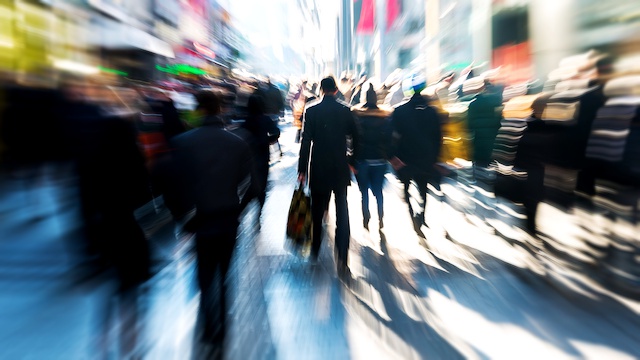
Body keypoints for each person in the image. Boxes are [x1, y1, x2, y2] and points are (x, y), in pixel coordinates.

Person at [170, 90, 254, 359]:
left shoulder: (183, 143)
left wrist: (183, 216)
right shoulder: (237, 143)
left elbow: (175, 186)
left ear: (198, 109)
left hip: (200, 219)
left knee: (205, 277)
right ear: (220, 109)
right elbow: (248, 183)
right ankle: (222, 333)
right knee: (224, 276)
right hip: (228, 218)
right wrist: (236, 208)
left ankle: (209, 328)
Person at [298, 76, 360, 276]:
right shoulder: (345, 110)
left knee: (317, 211)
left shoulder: (311, 110)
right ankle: (342, 256)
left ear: (322, 90)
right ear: (335, 89)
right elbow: (356, 137)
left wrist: (302, 171)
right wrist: (351, 160)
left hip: (318, 168)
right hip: (340, 167)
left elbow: (305, 142)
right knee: (342, 210)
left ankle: (315, 250)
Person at [389, 75, 443, 236]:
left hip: (405, 158)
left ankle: (412, 213)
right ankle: (421, 213)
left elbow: (392, 135)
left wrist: (392, 156)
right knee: (423, 189)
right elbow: (438, 136)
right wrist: (436, 158)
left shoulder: (399, 111)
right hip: (426, 157)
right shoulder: (433, 111)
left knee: (406, 188)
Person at [351, 84, 393, 230]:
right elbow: (389, 139)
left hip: (363, 159)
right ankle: (381, 217)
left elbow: (353, 139)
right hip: (380, 160)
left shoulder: (357, 115)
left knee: (364, 192)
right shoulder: (385, 116)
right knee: (378, 191)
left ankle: (366, 217)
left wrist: (352, 159)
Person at [242, 94, 281, 217]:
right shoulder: (266, 119)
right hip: (263, 156)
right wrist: (269, 140)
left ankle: (242, 209)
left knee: (249, 184)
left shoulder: (246, 121)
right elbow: (276, 132)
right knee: (262, 185)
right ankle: (259, 211)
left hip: (249, 157)